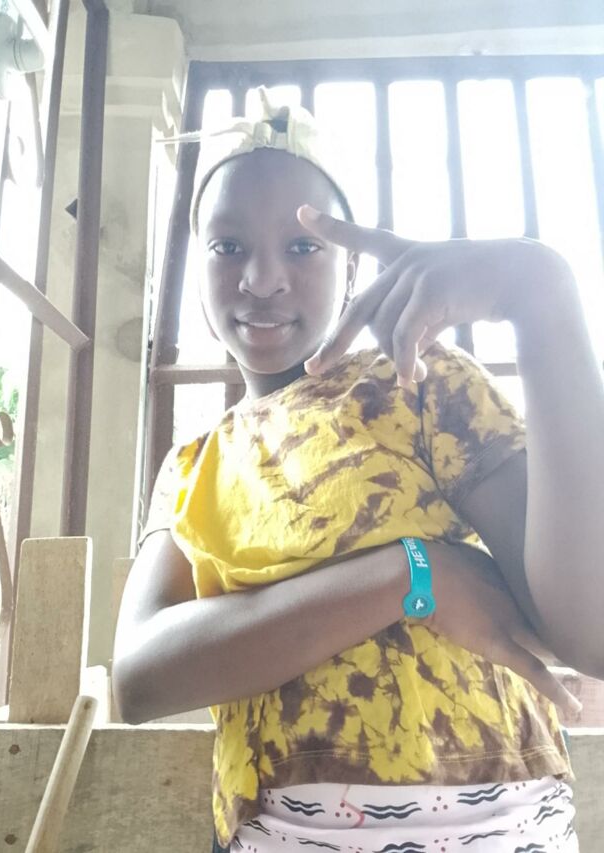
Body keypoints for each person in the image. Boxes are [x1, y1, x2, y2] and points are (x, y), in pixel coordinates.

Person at [113, 89, 604, 852]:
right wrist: (412, 574)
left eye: (303, 247)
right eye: (228, 246)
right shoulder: (191, 468)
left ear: (350, 271)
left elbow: (591, 630)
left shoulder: (420, 385)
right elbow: (140, 675)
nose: (263, 278)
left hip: (506, 823)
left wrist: (543, 297)